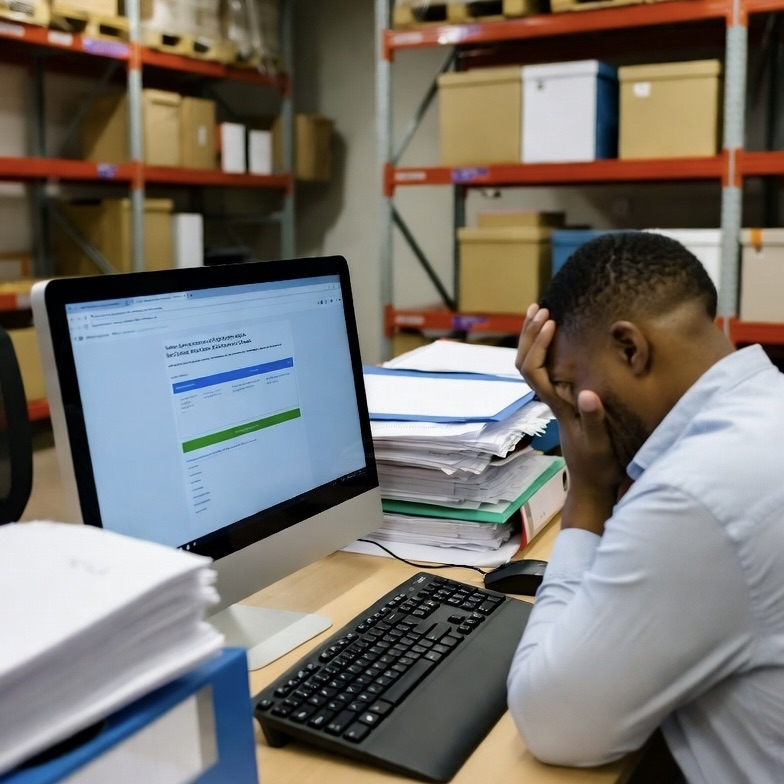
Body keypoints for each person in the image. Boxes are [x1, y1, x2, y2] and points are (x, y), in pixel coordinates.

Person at [507, 231, 784, 784]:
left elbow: (554, 723)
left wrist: (585, 496)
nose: (570, 409)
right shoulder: (764, 412)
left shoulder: (697, 492)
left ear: (631, 348)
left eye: (567, 384)